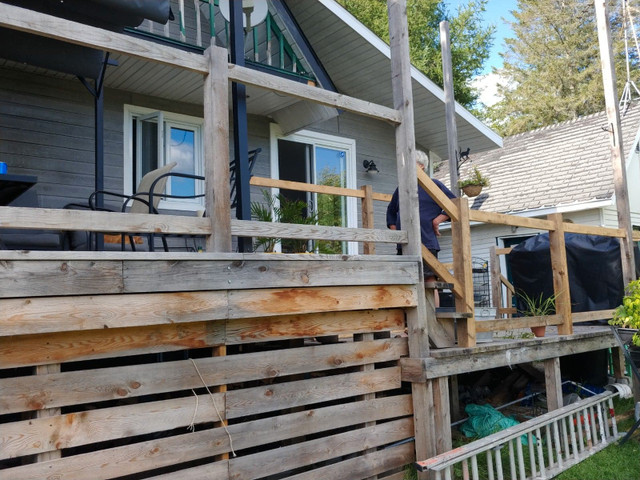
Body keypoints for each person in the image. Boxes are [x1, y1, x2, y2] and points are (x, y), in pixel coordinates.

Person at [386, 151, 456, 304]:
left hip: (427, 241)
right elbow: (391, 212)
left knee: (429, 281)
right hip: (405, 244)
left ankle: (432, 320)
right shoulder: (401, 188)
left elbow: (454, 203)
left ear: (422, 167)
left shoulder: (434, 185)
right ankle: (409, 322)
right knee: (406, 281)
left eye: (411, 164)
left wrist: (438, 220)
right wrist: (396, 234)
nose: (406, 168)